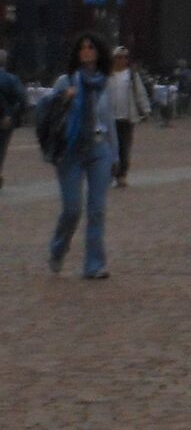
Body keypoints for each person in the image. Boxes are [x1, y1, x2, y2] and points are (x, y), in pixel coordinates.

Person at [44, 33, 118, 279]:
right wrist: (64, 98)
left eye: (91, 47)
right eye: (83, 48)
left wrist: (115, 154)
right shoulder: (66, 81)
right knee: (72, 209)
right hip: (71, 150)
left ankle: (94, 265)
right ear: (77, 53)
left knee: (97, 209)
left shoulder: (106, 83)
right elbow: (47, 111)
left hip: (99, 148)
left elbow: (109, 120)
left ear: (99, 52)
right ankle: (58, 248)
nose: (87, 51)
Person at [104, 46, 151, 186]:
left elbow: (140, 93)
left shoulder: (131, 75)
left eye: (125, 57)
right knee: (110, 148)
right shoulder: (106, 75)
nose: (123, 60)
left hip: (126, 117)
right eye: (119, 57)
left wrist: (145, 110)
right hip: (110, 117)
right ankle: (110, 173)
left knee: (124, 147)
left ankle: (122, 174)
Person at [0, 48, 24, 190]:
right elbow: (23, 99)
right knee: (1, 148)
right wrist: (15, 115)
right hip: (5, 120)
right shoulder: (11, 79)